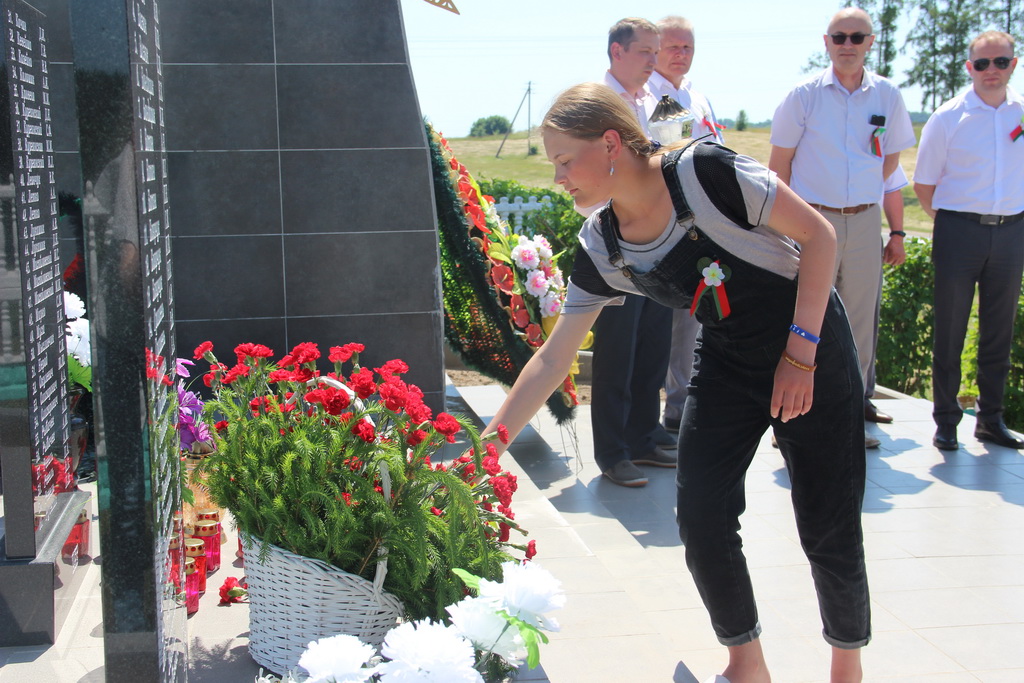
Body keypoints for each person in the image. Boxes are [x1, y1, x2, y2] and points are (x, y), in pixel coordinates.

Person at [484, 82, 869, 683]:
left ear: (610, 144)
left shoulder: (705, 172)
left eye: (564, 161)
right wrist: (488, 448)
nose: (558, 179)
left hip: (809, 342)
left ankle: (847, 669)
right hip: (727, 360)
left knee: (827, 521)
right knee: (701, 514)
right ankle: (747, 666)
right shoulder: (603, 244)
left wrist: (800, 356)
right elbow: (554, 358)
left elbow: (820, 236)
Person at [769, 7, 916, 445]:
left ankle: (849, 416)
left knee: (858, 322)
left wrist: (875, 211)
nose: (848, 44)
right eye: (839, 37)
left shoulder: (887, 96)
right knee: (801, 317)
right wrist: (784, 226)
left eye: (857, 37)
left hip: (865, 220)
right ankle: (790, 420)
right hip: (811, 220)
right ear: (826, 43)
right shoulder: (804, 96)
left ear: (871, 42)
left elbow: (889, 161)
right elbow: (779, 167)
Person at [913, 30, 1024, 451]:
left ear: (1014, 64)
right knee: (950, 329)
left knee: (999, 331)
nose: (991, 70)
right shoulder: (948, 117)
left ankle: (991, 419)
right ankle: (946, 421)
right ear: (969, 68)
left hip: (1012, 231)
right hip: (959, 232)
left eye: (1000, 62)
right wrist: (957, 221)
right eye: (982, 63)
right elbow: (924, 184)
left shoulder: (1022, 113)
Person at [589, 17, 676, 487]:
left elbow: (674, 153)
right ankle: (613, 452)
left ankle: (644, 436)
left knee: (652, 345)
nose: (653, 61)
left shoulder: (658, 100)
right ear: (616, 52)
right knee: (617, 350)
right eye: (645, 51)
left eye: (656, 52)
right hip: (616, 242)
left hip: (660, 239)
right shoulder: (595, 104)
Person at [646, 15, 723, 435]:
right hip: (662, 220)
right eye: (673, 46)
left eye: (688, 47)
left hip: (702, 218)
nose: (681, 54)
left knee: (694, 318)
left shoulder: (698, 96)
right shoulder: (646, 96)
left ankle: (680, 408)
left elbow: (715, 149)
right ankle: (651, 415)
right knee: (661, 322)